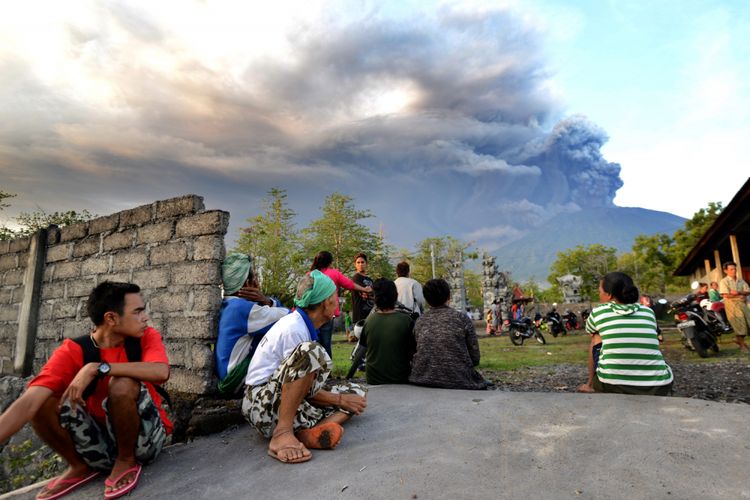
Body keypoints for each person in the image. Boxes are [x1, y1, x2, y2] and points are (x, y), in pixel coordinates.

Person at [0, 282, 171, 499]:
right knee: (42, 401)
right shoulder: (74, 350)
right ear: (111, 318)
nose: (145, 317)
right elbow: (29, 402)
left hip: (143, 442)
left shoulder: (145, 337)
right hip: (98, 445)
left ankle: (126, 460)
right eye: (137, 312)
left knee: (122, 382)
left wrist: (97, 368)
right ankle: (79, 466)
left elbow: (161, 371)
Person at [242, 270, 368, 463]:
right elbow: (295, 385)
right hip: (262, 404)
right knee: (310, 352)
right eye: (335, 296)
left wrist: (341, 398)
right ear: (326, 303)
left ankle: (306, 434)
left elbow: (302, 386)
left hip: (279, 397)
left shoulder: (302, 324)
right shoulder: (294, 328)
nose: (337, 301)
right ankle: (282, 434)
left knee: (357, 393)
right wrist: (339, 400)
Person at [577, 272, 673, 395]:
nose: (599, 295)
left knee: (596, 336)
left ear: (609, 295)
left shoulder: (598, 312)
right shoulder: (648, 312)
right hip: (659, 385)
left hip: (612, 384)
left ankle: (590, 384)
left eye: (600, 292)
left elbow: (592, 335)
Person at [215, 253, 289, 397]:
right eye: (253, 277)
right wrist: (265, 299)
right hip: (235, 380)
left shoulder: (229, 304)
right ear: (245, 283)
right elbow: (288, 316)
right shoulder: (242, 309)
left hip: (227, 377)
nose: (257, 281)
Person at [409, 278, 487, 390]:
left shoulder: (420, 321)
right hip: (459, 379)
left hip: (422, 377)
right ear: (449, 296)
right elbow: (475, 357)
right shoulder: (461, 318)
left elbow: (414, 351)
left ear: (426, 299)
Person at [309, 251, 372, 358]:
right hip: (327, 314)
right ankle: (327, 372)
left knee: (312, 342)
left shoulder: (310, 274)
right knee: (326, 343)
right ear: (330, 262)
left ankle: (313, 370)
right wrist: (364, 289)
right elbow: (349, 285)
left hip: (312, 314)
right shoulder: (334, 273)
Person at [359, 279, 416, 385]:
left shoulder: (369, 320)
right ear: (396, 296)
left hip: (373, 379)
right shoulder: (406, 320)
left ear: (375, 298)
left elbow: (364, 346)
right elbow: (413, 351)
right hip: (400, 378)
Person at [719, 262, 750, 353]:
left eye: (735, 269)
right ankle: (742, 347)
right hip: (732, 306)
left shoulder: (741, 280)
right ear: (725, 271)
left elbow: (748, 291)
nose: (734, 271)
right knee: (739, 325)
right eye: (731, 269)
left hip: (742, 304)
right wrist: (739, 295)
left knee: (747, 324)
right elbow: (725, 295)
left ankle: (737, 339)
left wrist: (738, 292)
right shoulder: (724, 281)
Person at [350, 252, 374, 324]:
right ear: (355, 265)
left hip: (371, 315)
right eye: (358, 262)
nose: (360, 264)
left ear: (366, 263)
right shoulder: (356, 278)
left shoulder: (370, 280)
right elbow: (367, 292)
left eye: (362, 262)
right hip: (360, 316)